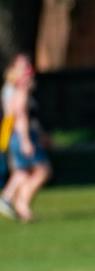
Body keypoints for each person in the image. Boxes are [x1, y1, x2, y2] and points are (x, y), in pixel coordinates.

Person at [0, 54, 50, 223]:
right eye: (24, 67)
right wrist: (25, 140)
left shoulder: (13, 88)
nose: (29, 70)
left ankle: (9, 199)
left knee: (23, 171)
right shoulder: (18, 89)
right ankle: (20, 203)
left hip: (17, 135)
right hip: (20, 135)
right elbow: (19, 116)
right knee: (42, 170)